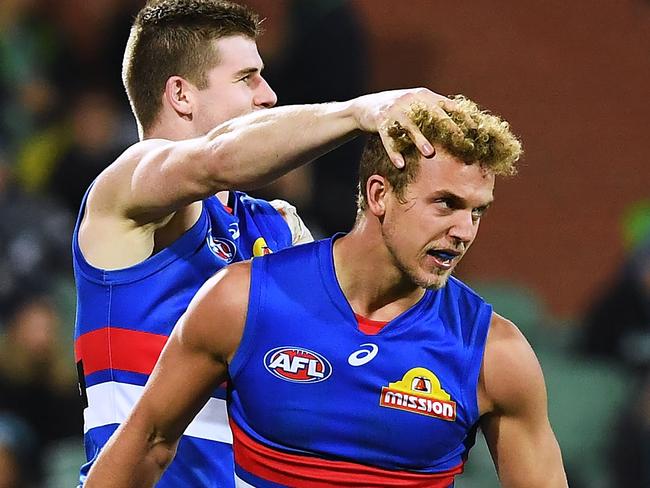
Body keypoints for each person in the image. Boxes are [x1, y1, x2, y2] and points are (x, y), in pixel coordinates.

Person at [84, 97, 568, 487]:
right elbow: (148, 442)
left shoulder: (493, 354)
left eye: (477, 212)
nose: (464, 230)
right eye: (446, 204)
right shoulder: (245, 300)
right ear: (379, 195)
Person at [72, 0, 460, 486]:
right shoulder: (126, 187)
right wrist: (361, 110)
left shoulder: (276, 225)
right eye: (247, 78)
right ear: (181, 95)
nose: (269, 95)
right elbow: (213, 160)